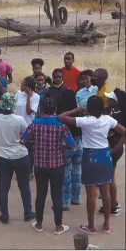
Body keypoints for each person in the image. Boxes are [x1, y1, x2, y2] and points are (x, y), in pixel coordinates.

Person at [58, 96, 125, 234]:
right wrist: (115, 149)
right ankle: (106, 224)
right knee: (105, 192)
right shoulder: (108, 119)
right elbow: (124, 132)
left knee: (91, 195)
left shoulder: (85, 121)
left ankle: (91, 226)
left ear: (88, 108)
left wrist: (77, 109)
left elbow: (61, 117)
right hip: (105, 156)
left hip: (90, 157)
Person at [20, 97, 75, 235]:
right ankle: (58, 226)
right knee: (57, 195)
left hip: (40, 165)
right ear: (55, 109)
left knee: (41, 194)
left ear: (42, 109)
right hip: (57, 165)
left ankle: (39, 224)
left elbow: (23, 139)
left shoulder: (35, 123)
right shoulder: (61, 125)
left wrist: (35, 143)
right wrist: (62, 145)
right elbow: (72, 144)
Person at [0, 92, 35, 224]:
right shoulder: (19, 119)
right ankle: (27, 212)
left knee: (4, 186)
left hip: (3, 156)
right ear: (13, 105)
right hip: (20, 155)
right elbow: (26, 134)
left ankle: (4, 215)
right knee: (24, 185)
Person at [47, 69, 83, 211]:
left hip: (67, 140)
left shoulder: (61, 117)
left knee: (66, 171)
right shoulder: (73, 105)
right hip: (78, 138)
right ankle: (76, 197)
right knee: (77, 170)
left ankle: (65, 202)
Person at [97, 89, 125, 216]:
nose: (108, 100)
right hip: (114, 149)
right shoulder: (114, 112)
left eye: (110, 99)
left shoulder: (117, 116)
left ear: (116, 101)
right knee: (109, 178)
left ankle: (113, 206)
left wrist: (115, 149)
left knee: (109, 179)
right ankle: (113, 204)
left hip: (113, 149)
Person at [15, 76, 40, 178]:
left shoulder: (36, 97)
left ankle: (29, 171)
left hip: (29, 127)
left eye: (23, 85)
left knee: (29, 151)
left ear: (29, 87)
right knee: (18, 149)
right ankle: (20, 171)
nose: (21, 86)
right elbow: (13, 106)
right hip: (17, 126)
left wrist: (29, 97)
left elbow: (29, 111)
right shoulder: (18, 94)